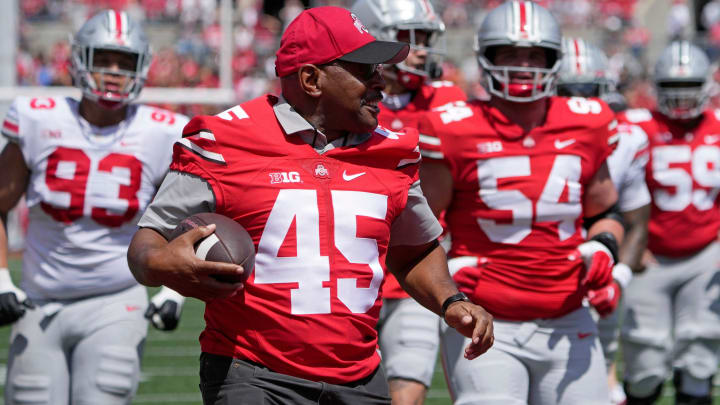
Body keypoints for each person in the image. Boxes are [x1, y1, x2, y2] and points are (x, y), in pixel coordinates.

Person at [125, 6, 494, 405]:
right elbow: (148, 243)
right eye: (365, 69)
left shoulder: (393, 152)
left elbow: (415, 251)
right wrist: (161, 264)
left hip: (360, 376)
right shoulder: (223, 140)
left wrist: (451, 301)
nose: (380, 82)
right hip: (253, 373)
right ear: (311, 79)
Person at [417, 2, 626, 404]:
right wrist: (449, 274)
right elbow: (420, 229)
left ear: (554, 61)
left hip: (568, 315)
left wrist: (604, 248)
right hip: (486, 317)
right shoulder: (454, 127)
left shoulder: (589, 121)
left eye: (534, 55)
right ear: (486, 59)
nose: (523, 65)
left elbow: (606, 213)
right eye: (509, 54)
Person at [0, 10, 189, 405]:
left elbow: (184, 217)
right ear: (78, 59)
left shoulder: (162, 131)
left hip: (116, 300)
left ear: (142, 68)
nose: (114, 71)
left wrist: (173, 288)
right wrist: (1, 279)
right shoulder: (36, 118)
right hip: (40, 299)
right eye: (103, 59)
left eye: (125, 62)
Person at [349, 1, 466, 403]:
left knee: (409, 390)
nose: (422, 50)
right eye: (409, 38)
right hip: (349, 266)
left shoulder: (448, 99)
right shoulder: (346, 97)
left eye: (426, 39)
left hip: (417, 269)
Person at [618, 40, 720, 405]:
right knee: (645, 366)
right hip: (650, 257)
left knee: (699, 360)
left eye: (690, 87)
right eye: (672, 88)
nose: (681, 98)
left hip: (704, 255)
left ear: (707, 85)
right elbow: (606, 190)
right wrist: (630, 244)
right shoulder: (633, 126)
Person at [558, 36, 652, 405]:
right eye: (569, 90)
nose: (579, 100)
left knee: (601, 365)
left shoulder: (627, 138)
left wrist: (619, 277)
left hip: (601, 261)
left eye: (587, 90)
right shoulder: (519, 135)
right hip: (540, 263)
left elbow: (636, 217)